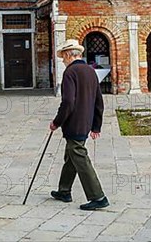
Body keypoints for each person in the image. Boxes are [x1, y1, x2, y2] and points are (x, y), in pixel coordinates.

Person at [49, 39, 109, 211]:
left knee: (79, 156)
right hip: (86, 121)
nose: (63, 60)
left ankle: (98, 196)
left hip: (74, 123)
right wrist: (96, 126)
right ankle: (64, 191)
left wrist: (56, 122)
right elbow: (99, 101)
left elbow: (68, 101)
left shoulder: (70, 72)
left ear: (68, 55)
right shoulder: (91, 72)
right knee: (71, 155)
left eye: (63, 57)